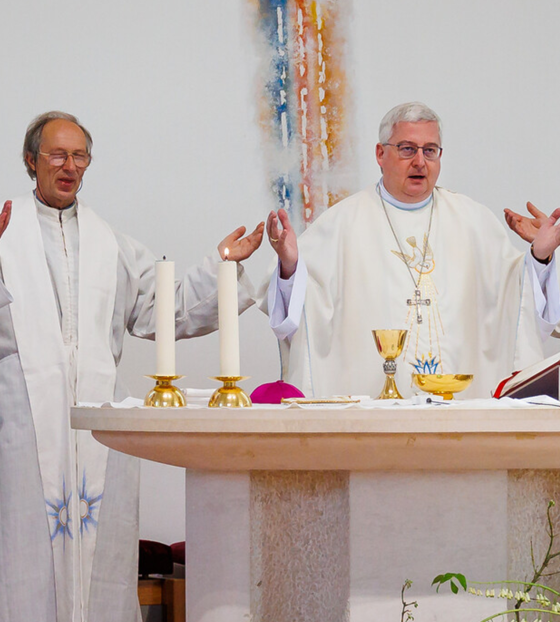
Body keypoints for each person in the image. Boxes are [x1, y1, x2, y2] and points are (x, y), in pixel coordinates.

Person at [0, 111, 263, 622]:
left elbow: (166, 309)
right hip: (22, 429)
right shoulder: (3, 242)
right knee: (22, 563)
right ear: (31, 161)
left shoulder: (112, 245)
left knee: (103, 571)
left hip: (100, 434)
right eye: (57, 154)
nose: (69, 165)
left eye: (79, 156)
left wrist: (224, 268)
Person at [263, 101, 560, 399]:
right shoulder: (341, 223)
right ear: (380, 154)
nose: (420, 161)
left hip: (460, 415)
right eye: (407, 149)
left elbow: (515, 300)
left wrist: (540, 256)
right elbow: (302, 306)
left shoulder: (474, 221)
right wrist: (290, 266)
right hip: (370, 421)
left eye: (430, 150)